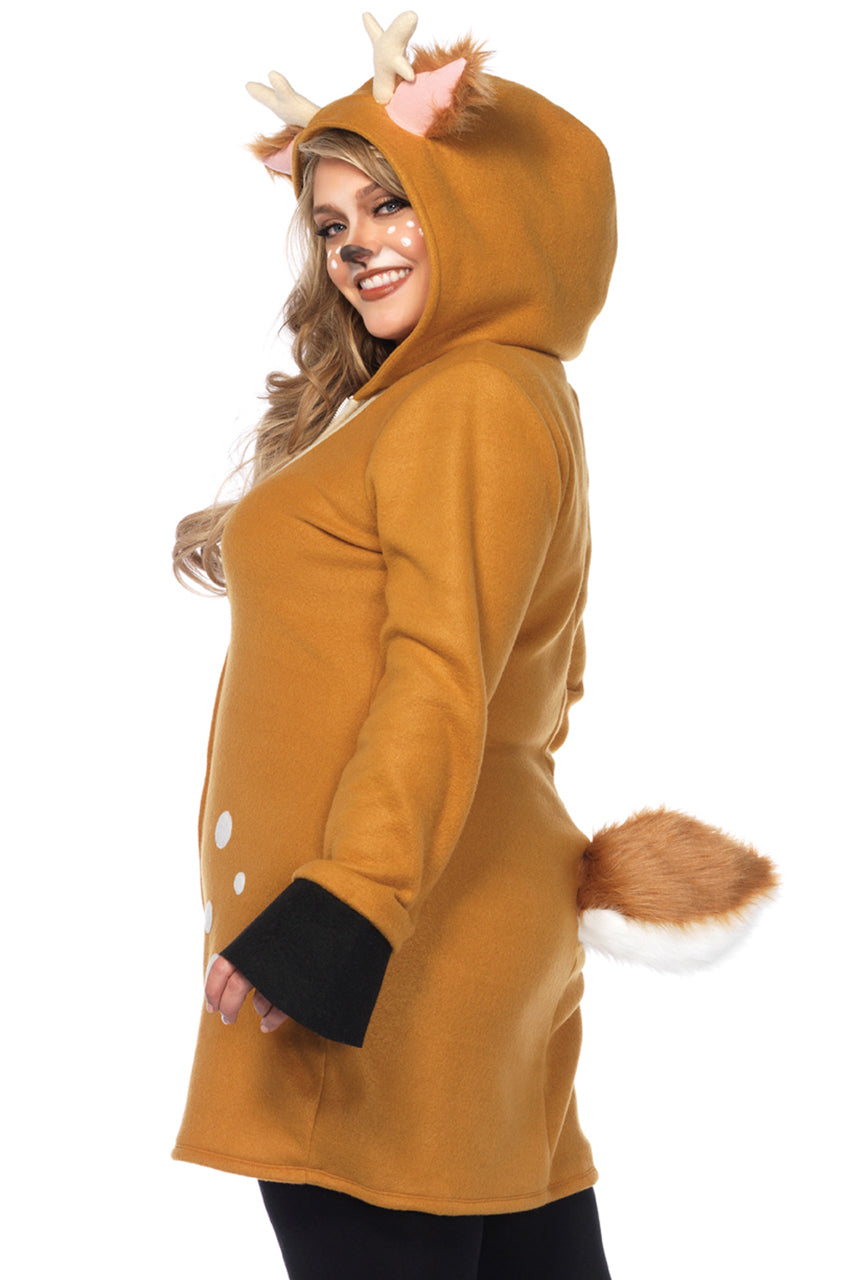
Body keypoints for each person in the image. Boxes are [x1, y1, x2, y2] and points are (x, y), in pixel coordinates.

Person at [171, 13, 775, 1278]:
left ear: (482, 203)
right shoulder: (469, 396)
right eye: (330, 224)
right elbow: (541, 682)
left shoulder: (472, 398)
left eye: (391, 204)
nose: (355, 248)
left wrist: (338, 913)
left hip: (382, 963)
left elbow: (442, 681)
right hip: (447, 934)